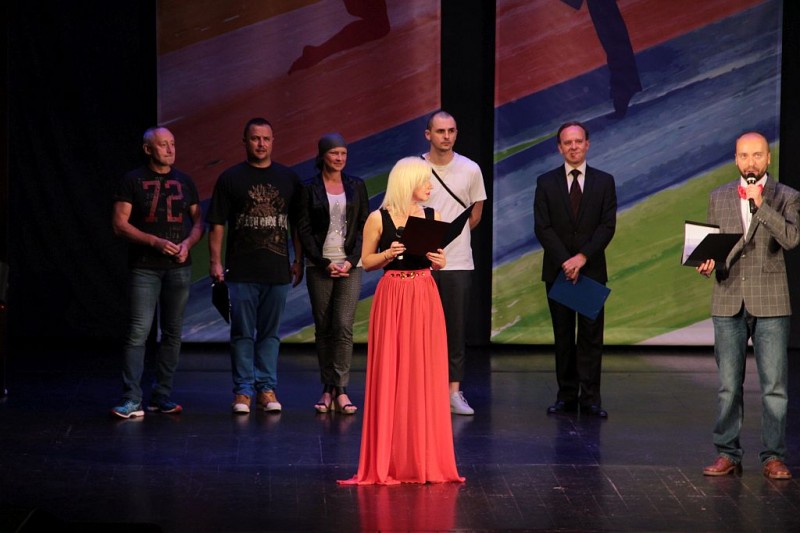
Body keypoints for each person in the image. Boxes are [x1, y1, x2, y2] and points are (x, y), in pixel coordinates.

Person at [338, 157, 464, 485]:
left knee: (424, 371)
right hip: (393, 294)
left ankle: (424, 458)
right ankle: (388, 459)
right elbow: (367, 262)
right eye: (425, 181)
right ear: (408, 182)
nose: (430, 186)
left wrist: (439, 261)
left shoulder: (432, 216)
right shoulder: (377, 218)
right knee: (392, 371)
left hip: (424, 293)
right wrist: (387, 254)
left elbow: (437, 261)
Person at [696, 131, 800, 480]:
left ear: (768, 158)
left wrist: (761, 206)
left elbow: (791, 239)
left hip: (770, 302)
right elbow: (715, 246)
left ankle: (773, 456)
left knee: (774, 387)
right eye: (744, 156)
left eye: (757, 155)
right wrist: (708, 263)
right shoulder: (719, 196)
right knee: (728, 386)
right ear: (736, 159)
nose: (750, 162)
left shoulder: (787, 196)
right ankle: (727, 453)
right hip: (728, 299)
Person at [206, 117, 304, 414]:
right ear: (245, 142)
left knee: (270, 335)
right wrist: (215, 261)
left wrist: (298, 260)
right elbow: (217, 224)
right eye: (255, 138)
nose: (261, 144)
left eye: (266, 139)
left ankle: (266, 388)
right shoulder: (230, 178)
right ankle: (243, 392)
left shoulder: (288, 178)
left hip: (277, 271)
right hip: (241, 272)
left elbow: (297, 225)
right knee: (242, 334)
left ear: (273, 142)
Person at [110, 126, 204, 419]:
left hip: (179, 268)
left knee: (173, 333)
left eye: (172, 143)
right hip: (145, 268)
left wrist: (188, 244)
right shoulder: (132, 180)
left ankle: (161, 396)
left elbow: (199, 222)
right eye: (163, 144)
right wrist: (154, 241)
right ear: (148, 149)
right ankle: (131, 398)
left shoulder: (185, 181)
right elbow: (119, 224)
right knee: (139, 331)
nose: (170, 149)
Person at [533, 121, 617, 418]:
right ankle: (566, 396)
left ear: (587, 144)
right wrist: (566, 262)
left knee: (591, 338)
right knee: (564, 336)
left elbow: (607, 226)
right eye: (567, 142)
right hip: (558, 271)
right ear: (559, 148)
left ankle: (590, 398)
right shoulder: (546, 182)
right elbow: (542, 227)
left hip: (591, 270)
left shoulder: (604, 181)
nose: (573, 147)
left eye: (578, 141)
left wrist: (582, 257)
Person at [297, 133, 369, 415]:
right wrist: (323, 261)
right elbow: (303, 229)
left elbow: (363, 226)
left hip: (350, 265)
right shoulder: (308, 188)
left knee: (343, 326)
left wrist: (351, 260)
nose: (339, 158)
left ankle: (341, 388)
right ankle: (327, 388)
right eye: (334, 153)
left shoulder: (356, 186)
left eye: (343, 153)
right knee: (324, 327)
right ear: (322, 156)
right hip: (320, 266)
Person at [422, 110, 486, 416]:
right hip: (421, 263)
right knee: (420, 329)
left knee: (455, 329)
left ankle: (453, 391)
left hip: (458, 262)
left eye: (451, 131)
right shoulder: (414, 168)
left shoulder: (471, 169)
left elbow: (475, 215)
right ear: (428, 134)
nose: (446, 136)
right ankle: (423, 390)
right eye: (440, 131)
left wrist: (450, 239)